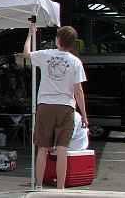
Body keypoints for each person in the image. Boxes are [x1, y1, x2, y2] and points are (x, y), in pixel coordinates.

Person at [24, 24, 88, 191]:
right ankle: (60, 188)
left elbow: (26, 54)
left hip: (45, 104)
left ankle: (38, 185)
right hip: (66, 106)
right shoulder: (76, 62)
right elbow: (78, 91)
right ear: (73, 43)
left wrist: (30, 34)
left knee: (42, 148)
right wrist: (85, 116)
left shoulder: (46, 55)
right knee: (62, 149)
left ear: (57, 40)